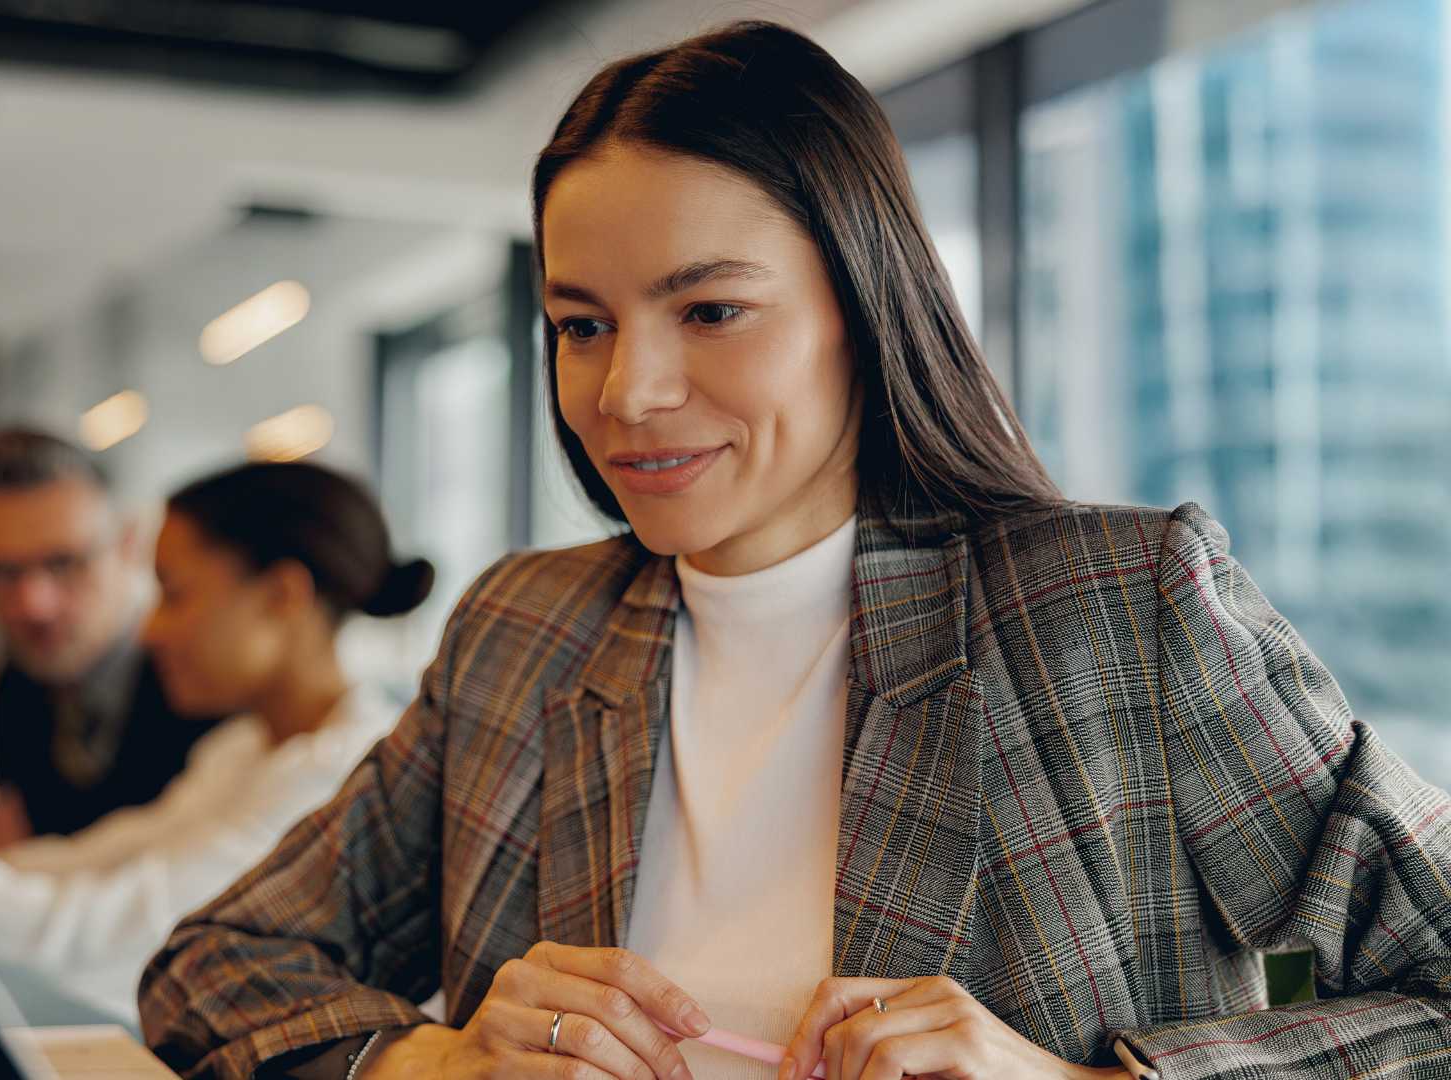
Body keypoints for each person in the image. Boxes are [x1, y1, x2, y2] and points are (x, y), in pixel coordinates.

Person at [139, 21, 1451, 1080]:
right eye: (580, 323)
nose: (625, 391)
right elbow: (216, 966)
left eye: (710, 309)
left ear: (863, 309)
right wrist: (432, 1063)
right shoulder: (526, 632)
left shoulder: (1115, 611)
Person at [0, 461, 433, 1021]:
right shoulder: (242, 746)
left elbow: (134, 934)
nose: (150, 629)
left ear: (282, 594)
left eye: (174, 594)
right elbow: (97, 861)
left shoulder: (349, 772)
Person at [0, 429, 216, 847]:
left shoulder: (204, 679)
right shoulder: (16, 680)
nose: (33, 605)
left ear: (130, 545)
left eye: (64, 563)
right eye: (3, 572)